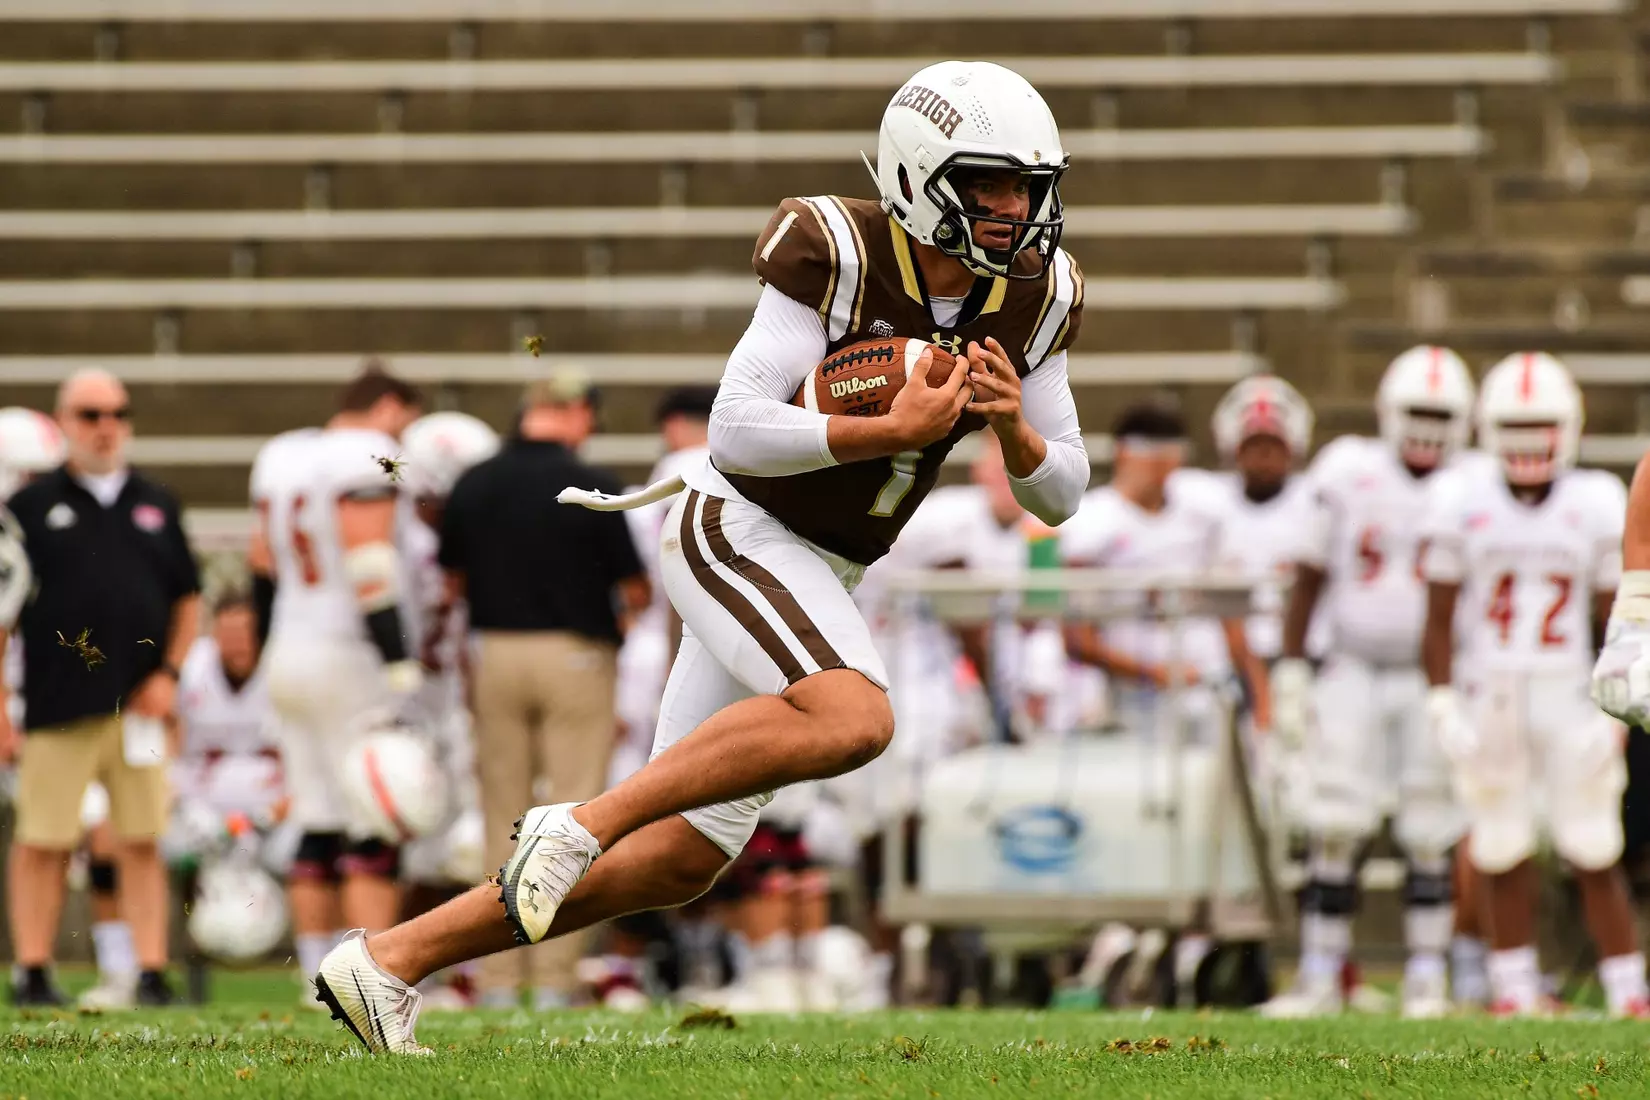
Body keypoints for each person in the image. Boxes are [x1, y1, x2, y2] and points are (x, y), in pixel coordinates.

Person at [315, 59, 1088, 1052]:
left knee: (681, 859)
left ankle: (386, 961)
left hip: (826, 562)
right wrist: (877, 431)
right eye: (989, 185)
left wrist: (1015, 431)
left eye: (1028, 187)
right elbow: (731, 430)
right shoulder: (840, 250)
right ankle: (583, 817)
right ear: (919, 174)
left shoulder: (1039, 296)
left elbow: (1061, 491)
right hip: (738, 524)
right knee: (855, 714)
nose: (1013, 209)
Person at [1420, 351, 1646, 1017]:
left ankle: (1629, 990)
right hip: (1489, 686)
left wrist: (1612, 718)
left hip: (1569, 685)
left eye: (1540, 424)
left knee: (1594, 842)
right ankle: (1515, 987)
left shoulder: (1596, 500)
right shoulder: (1459, 498)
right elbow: (1436, 620)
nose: (1527, 441)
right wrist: (1441, 704)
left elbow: (1617, 616)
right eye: (1514, 425)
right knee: (1498, 842)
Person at [1261, 346, 1478, 1019]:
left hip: (1434, 675)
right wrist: (1293, 666)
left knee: (1429, 828)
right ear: (1387, 411)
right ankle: (1322, 977)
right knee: (1335, 824)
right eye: (1417, 411)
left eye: (1441, 413)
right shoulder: (1348, 470)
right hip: (1352, 665)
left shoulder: (1475, 481)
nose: (1428, 425)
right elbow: (1311, 575)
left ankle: (1425, 979)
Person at [435, 368, 650, 1010]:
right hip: (576, 656)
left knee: (501, 814)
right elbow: (635, 591)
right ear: (579, 412)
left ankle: (497, 978)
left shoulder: (474, 481)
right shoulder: (595, 484)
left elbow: (452, 584)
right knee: (573, 817)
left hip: (494, 652)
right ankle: (555, 976)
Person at [1, 370, 201, 1007]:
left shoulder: (156, 502)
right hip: (58, 704)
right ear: (64, 421)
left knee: (142, 839)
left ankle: (150, 969)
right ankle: (33, 967)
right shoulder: (29, 509)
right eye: (90, 414)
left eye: (118, 412)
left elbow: (187, 598)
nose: (106, 425)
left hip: (139, 705)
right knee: (44, 840)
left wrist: (168, 675)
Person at [247, 363, 424, 1000]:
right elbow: (369, 559)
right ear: (387, 407)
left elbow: (260, 565)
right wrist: (398, 659)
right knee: (372, 815)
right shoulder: (365, 452)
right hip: (348, 652)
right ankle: (366, 973)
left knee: (316, 819)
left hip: (289, 647)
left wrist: (269, 646)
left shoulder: (283, 454)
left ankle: (314, 973)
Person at [395, 409, 499, 1009]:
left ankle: (461, 969)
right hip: (424, 702)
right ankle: (411, 962)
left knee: (466, 838)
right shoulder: (405, 538)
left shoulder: (461, 533)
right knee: (428, 836)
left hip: (461, 701)